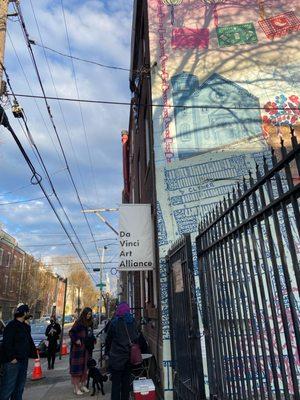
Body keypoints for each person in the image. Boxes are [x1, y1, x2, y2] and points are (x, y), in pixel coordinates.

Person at [0, 304, 37, 400]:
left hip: (23, 361)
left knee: (19, 388)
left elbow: (28, 341)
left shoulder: (25, 326)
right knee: (8, 387)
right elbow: (7, 343)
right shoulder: (11, 326)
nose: (28, 314)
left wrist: (34, 353)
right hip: (12, 362)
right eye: (27, 312)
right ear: (24, 313)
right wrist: (12, 358)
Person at [105, 302, 139, 400]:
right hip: (128, 357)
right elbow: (136, 337)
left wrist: (107, 352)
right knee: (126, 384)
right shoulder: (132, 321)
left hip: (116, 358)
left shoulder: (114, 322)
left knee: (116, 385)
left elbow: (108, 339)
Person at [69, 307, 93, 395]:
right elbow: (71, 332)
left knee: (85, 368)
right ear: (84, 314)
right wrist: (76, 340)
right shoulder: (78, 323)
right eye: (87, 314)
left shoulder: (90, 323)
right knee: (77, 369)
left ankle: (83, 385)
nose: (88, 316)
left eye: (90, 314)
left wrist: (92, 339)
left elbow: (90, 334)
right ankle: (76, 388)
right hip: (78, 350)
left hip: (86, 348)